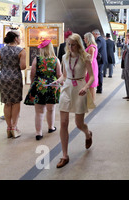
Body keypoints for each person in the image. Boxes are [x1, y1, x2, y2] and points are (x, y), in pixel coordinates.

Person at [52, 33, 95, 168]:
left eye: (73, 44)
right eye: (68, 44)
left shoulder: (85, 57)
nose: (70, 47)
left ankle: (88, 134)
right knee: (63, 123)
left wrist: (86, 87)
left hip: (80, 88)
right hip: (67, 89)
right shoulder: (65, 57)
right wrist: (57, 81)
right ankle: (65, 155)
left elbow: (92, 76)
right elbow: (64, 76)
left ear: (79, 44)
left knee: (78, 123)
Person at [24, 39, 62, 140]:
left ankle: (38, 133)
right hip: (52, 86)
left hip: (39, 85)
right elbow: (59, 74)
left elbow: (32, 73)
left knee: (39, 111)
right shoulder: (55, 60)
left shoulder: (37, 59)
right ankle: (51, 127)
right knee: (51, 109)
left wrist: (33, 84)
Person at [0, 30, 26, 139]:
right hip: (15, 78)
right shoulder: (21, 50)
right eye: (19, 37)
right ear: (16, 38)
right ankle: (14, 127)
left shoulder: (2, 49)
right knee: (16, 102)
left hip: (3, 77)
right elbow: (23, 67)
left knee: (7, 103)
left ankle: (8, 128)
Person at [83, 32, 99, 106]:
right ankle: (90, 101)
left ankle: (92, 102)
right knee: (90, 85)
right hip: (92, 65)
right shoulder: (91, 46)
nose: (84, 39)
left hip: (91, 66)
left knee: (91, 86)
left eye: (85, 38)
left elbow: (90, 60)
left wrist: (86, 70)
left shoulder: (91, 48)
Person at [92, 29, 107, 94]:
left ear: (96, 34)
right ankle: (99, 87)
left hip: (99, 60)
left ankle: (99, 88)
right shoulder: (103, 39)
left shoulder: (99, 40)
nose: (93, 36)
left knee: (98, 73)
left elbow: (96, 48)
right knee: (99, 73)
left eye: (93, 34)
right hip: (102, 59)